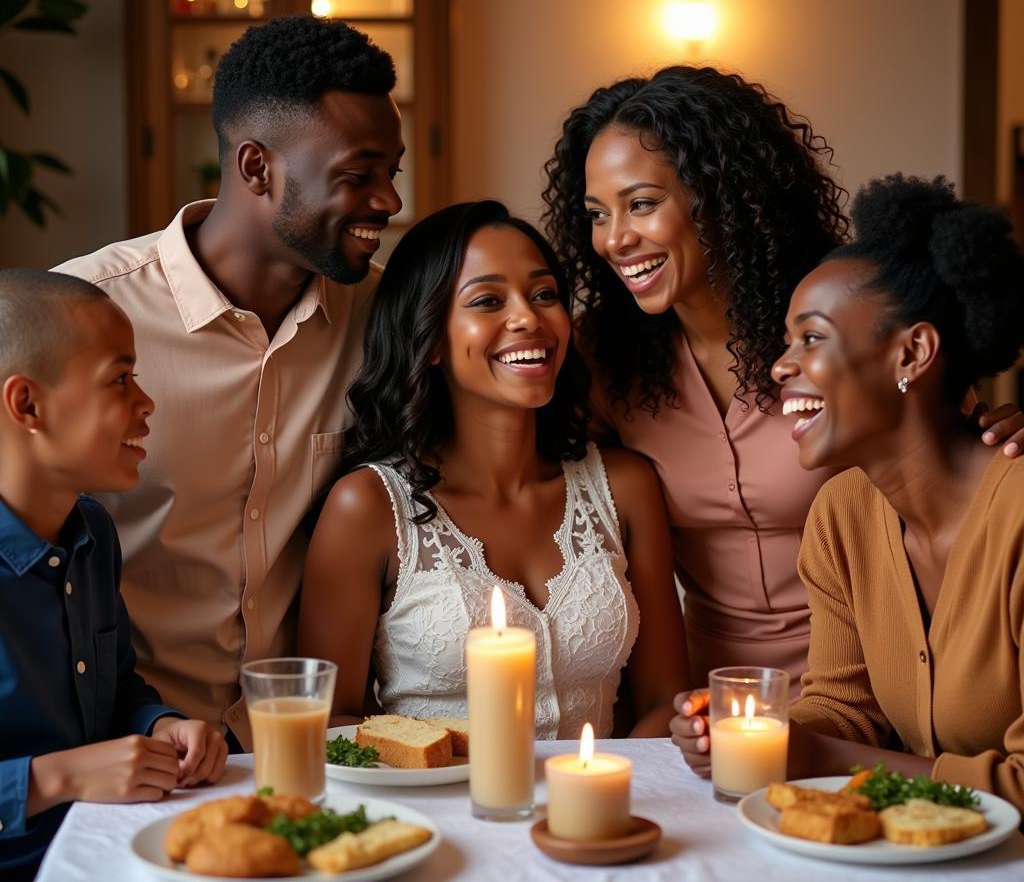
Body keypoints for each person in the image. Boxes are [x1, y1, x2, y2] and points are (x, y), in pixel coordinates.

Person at [542, 65, 1024, 690]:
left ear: (721, 192)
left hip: (877, 690)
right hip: (710, 698)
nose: (615, 239)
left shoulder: (843, 324)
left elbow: (953, 466)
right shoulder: (603, 359)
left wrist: (1003, 438)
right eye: (597, 214)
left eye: (640, 204)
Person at [56, 16, 404, 749]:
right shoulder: (82, 316)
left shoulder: (383, 317)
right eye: (357, 175)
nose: (388, 202)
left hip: (314, 741)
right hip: (133, 746)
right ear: (256, 168)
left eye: (391, 173)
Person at [671, 176, 1024, 811]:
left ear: (912, 353)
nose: (780, 366)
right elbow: (846, 707)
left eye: (810, 338)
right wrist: (763, 733)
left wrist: (823, 757)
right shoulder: (842, 514)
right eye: (787, 340)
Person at [297, 201, 689, 738]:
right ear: (430, 338)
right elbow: (328, 723)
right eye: (486, 300)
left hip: (599, 811)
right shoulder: (366, 507)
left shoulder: (624, 487)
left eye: (544, 294)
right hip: (438, 814)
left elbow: (665, 702)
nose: (529, 317)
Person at [0, 271, 227, 881]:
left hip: (112, 852)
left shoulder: (93, 535)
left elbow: (116, 691)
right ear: (27, 404)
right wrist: (58, 777)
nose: (146, 403)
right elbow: (73, 769)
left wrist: (163, 726)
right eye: (120, 380)